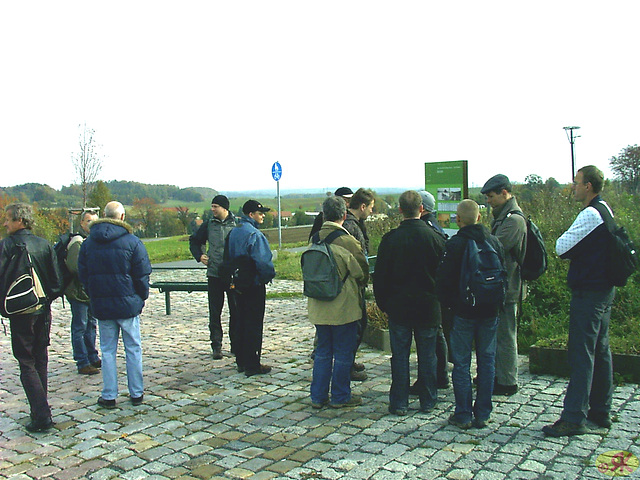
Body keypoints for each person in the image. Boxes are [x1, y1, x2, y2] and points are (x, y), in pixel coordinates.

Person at [543, 166, 616, 437]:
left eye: (576, 183)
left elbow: (561, 247)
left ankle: (574, 417)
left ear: (588, 186)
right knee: (601, 349)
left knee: (582, 353)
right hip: (605, 289)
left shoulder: (589, 213)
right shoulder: (606, 208)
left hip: (589, 291)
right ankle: (600, 410)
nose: (573, 187)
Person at [374, 191, 445, 415]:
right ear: (422, 209)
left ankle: (399, 402)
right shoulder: (436, 239)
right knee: (427, 356)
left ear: (400, 210)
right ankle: (428, 400)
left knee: (400, 357)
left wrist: (384, 304)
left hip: (399, 307)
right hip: (428, 307)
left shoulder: (390, 240)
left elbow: (380, 277)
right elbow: (444, 276)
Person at [436, 199, 505, 429]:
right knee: (487, 360)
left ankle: (463, 413)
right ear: (479, 217)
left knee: (462, 363)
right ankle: (483, 413)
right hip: (491, 311)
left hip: (464, 311)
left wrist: (450, 307)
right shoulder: (494, 241)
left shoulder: (455, 244)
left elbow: (444, 282)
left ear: (458, 219)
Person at [78, 201, 151, 408]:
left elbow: (83, 274)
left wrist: (93, 294)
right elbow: (142, 274)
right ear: (122, 217)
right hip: (128, 304)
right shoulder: (132, 242)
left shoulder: (89, 243)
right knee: (133, 349)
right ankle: (136, 392)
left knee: (108, 350)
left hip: (102, 304)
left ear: (103, 215)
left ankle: (109, 394)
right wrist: (140, 298)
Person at [0, 203, 63, 432]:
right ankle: (39, 410)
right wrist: (44, 301)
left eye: (8, 219)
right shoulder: (44, 245)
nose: (5, 223)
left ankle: (41, 415)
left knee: (26, 362)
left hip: (20, 314)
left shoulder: (5, 246)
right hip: (43, 310)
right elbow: (57, 283)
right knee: (40, 358)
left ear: (20, 221)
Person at [308, 196, 366, 409]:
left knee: (323, 351)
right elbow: (362, 272)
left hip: (319, 306)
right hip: (344, 307)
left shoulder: (314, 239)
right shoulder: (347, 241)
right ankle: (340, 396)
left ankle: (318, 396)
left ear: (324, 215)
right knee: (343, 352)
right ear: (344, 215)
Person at [481, 174, 527, 396]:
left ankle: (507, 381)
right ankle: (496, 375)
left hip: (509, 288)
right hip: (501, 286)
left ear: (504, 193)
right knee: (498, 333)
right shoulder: (503, 217)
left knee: (506, 335)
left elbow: (495, 248)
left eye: (491, 196)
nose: (489, 201)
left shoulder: (514, 220)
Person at [227, 200, 276, 377]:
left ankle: (240, 360)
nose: (263, 215)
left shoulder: (234, 231)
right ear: (250, 214)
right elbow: (263, 263)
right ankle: (253, 364)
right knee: (254, 324)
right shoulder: (255, 235)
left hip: (237, 283)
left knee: (239, 320)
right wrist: (266, 277)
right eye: (260, 212)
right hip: (254, 283)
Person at [189, 195, 238, 359]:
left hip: (233, 276)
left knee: (236, 312)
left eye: (215, 206)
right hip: (214, 274)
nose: (212, 209)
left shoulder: (236, 224)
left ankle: (236, 345)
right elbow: (194, 241)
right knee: (215, 312)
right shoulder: (208, 225)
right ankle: (216, 346)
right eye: (212, 206)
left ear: (224, 208)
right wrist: (200, 256)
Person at [418, 190, 450, 389]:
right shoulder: (435, 226)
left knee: (432, 337)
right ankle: (441, 375)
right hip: (435, 289)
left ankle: (436, 376)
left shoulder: (426, 228)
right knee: (437, 334)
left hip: (427, 290)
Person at [342, 187, 375, 381]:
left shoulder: (354, 222)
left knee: (358, 324)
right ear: (362, 206)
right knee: (355, 325)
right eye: (370, 207)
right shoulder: (352, 226)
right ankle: (346, 366)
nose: (372, 211)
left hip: (354, 283)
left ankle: (349, 361)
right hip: (353, 283)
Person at [65, 210, 101, 375]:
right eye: (87, 221)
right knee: (80, 326)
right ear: (81, 223)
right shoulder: (77, 242)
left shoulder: (93, 241)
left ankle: (92, 356)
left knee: (91, 325)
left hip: (90, 292)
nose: (90, 224)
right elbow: (74, 268)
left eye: (93, 221)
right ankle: (82, 360)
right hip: (78, 292)